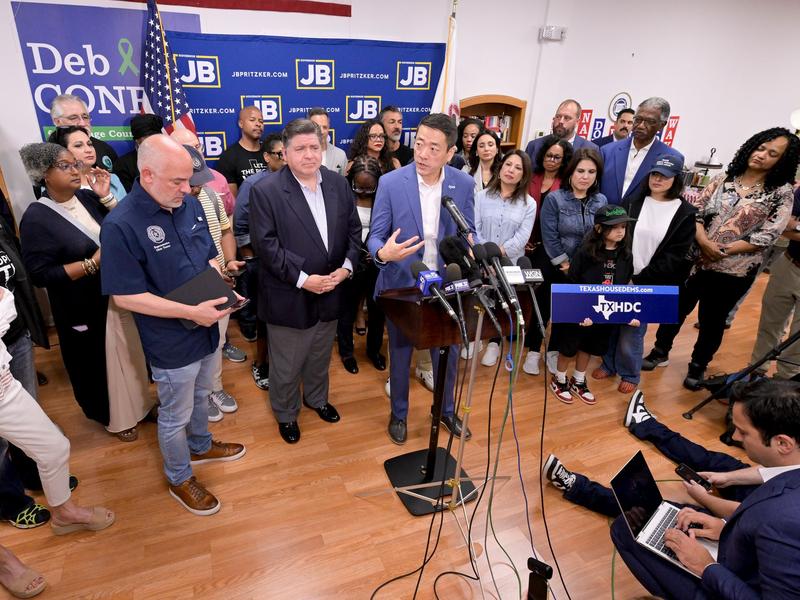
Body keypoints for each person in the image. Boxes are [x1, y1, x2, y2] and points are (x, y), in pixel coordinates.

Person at [100, 135, 246, 515]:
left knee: (201, 396)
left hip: (206, 324)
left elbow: (206, 262)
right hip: (169, 338)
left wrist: (224, 289)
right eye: (177, 182)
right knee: (175, 412)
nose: (188, 188)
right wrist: (191, 312)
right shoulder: (121, 225)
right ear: (147, 175)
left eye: (190, 180)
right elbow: (125, 297)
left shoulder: (191, 205)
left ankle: (201, 444)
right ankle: (180, 477)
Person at [549, 380, 800, 599]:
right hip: (744, 552)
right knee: (700, 483)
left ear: (783, 443)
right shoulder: (784, 484)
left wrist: (705, 566)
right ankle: (645, 425)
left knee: (632, 526)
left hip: (725, 580)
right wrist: (725, 527)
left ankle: (578, 487)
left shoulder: (783, 522)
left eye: (744, 432)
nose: (734, 437)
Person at [643, 128, 800, 389]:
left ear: (781, 161)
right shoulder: (723, 178)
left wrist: (725, 250)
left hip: (734, 270)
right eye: (760, 148)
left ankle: (698, 365)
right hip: (694, 261)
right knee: (676, 309)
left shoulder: (781, 192)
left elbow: (769, 234)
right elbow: (695, 212)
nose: (762, 155)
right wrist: (704, 241)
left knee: (712, 320)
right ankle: (660, 351)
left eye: (772, 154)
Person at [18, 143, 153, 441]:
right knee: (98, 364)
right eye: (65, 166)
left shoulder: (89, 198)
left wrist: (106, 196)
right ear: (44, 175)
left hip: (118, 294)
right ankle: (115, 418)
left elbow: (126, 226)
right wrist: (92, 264)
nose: (75, 170)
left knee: (131, 353)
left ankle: (142, 406)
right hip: (82, 305)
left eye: (75, 164)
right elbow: (40, 275)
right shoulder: (36, 218)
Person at [249, 118, 361, 445]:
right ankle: (286, 413)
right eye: (300, 149)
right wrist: (302, 279)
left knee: (319, 356)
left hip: (332, 289)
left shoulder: (339, 185)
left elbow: (354, 233)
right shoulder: (265, 191)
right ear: (284, 152)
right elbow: (266, 247)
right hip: (289, 294)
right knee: (287, 364)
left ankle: (317, 399)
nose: (309, 155)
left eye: (315, 147)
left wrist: (347, 268)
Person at [367, 113, 475, 445]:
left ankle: (444, 410)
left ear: (450, 151)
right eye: (419, 144)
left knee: (451, 354)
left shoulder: (464, 183)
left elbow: (467, 231)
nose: (423, 154)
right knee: (400, 353)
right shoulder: (390, 182)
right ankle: (399, 413)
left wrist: (471, 251)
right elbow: (375, 237)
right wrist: (384, 254)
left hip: (447, 284)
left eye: (433, 148)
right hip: (403, 282)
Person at [0, 286, 114, 595]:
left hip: (3, 388)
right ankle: (4, 561)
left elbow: (6, 301)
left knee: (54, 448)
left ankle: (64, 513)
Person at [593, 155, 698, 393]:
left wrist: (639, 280)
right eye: (655, 173)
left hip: (649, 282)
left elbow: (673, 257)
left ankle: (630, 372)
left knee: (633, 330)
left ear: (677, 179)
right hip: (619, 275)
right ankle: (609, 364)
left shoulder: (684, 213)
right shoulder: (633, 201)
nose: (658, 179)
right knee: (610, 322)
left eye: (665, 176)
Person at [527, 148, 608, 377]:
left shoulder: (601, 200)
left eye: (591, 172)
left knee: (566, 311)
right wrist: (564, 264)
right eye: (580, 170)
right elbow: (549, 234)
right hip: (552, 261)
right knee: (543, 308)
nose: (585, 176)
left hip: (585, 266)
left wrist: (581, 267)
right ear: (571, 172)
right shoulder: (555, 198)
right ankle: (534, 350)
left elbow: (601, 235)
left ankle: (553, 351)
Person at [548, 205, 636, 405]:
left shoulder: (626, 255)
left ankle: (578, 380)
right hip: (580, 311)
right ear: (598, 229)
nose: (620, 231)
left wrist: (629, 311)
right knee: (569, 347)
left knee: (589, 346)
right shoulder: (585, 253)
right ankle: (559, 378)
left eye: (623, 226)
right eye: (614, 227)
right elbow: (572, 282)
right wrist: (578, 311)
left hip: (605, 312)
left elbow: (626, 284)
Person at [182, 145, 246, 423]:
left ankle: (213, 390)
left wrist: (229, 261)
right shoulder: (166, 205)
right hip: (184, 290)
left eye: (200, 182)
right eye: (191, 183)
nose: (197, 188)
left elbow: (225, 231)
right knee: (191, 349)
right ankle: (197, 397)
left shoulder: (208, 194)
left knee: (216, 341)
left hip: (217, 282)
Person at [473, 150, 536, 367]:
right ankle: (475, 339)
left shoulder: (529, 204)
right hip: (480, 261)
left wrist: (496, 256)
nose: (511, 170)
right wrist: (484, 258)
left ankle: (494, 343)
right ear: (500, 168)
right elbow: (475, 230)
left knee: (503, 303)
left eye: (518, 168)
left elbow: (521, 238)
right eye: (508, 165)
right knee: (479, 299)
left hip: (509, 264)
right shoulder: (481, 197)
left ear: (524, 175)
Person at [233, 132, 286, 389]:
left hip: (290, 263)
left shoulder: (299, 182)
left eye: (288, 153)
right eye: (280, 154)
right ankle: (261, 365)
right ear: (266, 157)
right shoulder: (253, 184)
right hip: (261, 262)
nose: (286, 159)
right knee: (265, 316)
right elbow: (240, 224)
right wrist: (249, 256)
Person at [521, 136, 573, 374]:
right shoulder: (531, 177)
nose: (551, 160)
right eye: (548, 155)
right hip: (525, 245)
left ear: (564, 161)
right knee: (531, 298)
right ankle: (529, 346)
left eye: (557, 157)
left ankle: (546, 349)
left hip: (551, 249)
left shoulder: (566, 184)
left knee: (549, 300)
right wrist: (526, 241)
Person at [336, 155, 387, 374]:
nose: (364, 192)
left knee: (377, 311)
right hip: (350, 262)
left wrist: (377, 250)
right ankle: (347, 353)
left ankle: (374, 351)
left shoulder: (385, 196)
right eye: (359, 188)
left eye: (369, 188)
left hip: (377, 262)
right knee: (347, 311)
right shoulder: (342, 196)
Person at [748, 185, 800, 380]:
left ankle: (783, 386)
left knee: (797, 339)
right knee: (769, 326)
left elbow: (792, 227)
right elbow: (785, 226)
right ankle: (755, 376)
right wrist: (792, 226)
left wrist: (797, 226)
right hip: (787, 264)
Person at [599, 97, 683, 205]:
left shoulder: (672, 157)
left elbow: (669, 198)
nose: (641, 125)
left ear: (662, 125)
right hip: (603, 218)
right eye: (638, 119)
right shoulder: (608, 150)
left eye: (650, 121)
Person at [47, 126, 125, 201]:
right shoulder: (54, 185)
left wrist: (107, 198)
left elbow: (127, 213)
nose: (88, 150)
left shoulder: (112, 179)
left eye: (90, 144)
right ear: (62, 152)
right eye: (78, 145)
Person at [171, 128, 236, 216]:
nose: (197, 153)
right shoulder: (168, 186)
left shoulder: (218, 178)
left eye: (197, 147)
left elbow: (230, 213)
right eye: (189, 149)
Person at [50, 93, 117, 172]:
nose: (82, 123)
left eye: (85, 117)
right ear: (57, 122)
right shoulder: (50, 154)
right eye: (73, 118)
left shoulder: (105, 148)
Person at [525, 99, 597, 165]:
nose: (561, 121)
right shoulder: (534, 145)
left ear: (577, 122)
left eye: (567, 118)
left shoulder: (591, 149)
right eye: (558, 116)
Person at [216, 106, 266, 197]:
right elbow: (232, 201)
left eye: (261, 121)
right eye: (252, 120)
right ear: (241, 124)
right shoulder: (229, 157)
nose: (258, 124)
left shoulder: (270, 152)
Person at [114, 114, 164, 193]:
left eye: (157, 136)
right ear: (137, 140)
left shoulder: (169, 158)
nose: (154, 141)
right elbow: (128, 197)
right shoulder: (123, 164)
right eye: (149, 137)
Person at [308, 107, 347, 176]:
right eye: (317, 127)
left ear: (329, 127)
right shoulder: (300, 155)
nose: (322, 132)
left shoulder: (340, 155)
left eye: (325, 127)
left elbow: (343, 184)